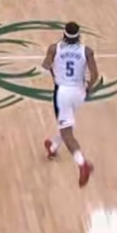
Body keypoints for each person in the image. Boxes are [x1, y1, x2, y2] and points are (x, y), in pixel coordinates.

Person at [41, 22, 98, 187]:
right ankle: (52, 147)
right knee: (66, 122)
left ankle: (82, 164)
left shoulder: (54, 48)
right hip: (79, 92)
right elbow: (95, 75)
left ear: (64, 34)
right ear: (79, 35)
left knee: (67, 132)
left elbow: (45, 66)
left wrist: (54, 71)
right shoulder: (87, 51)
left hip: (63, 93)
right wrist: (89, 88)